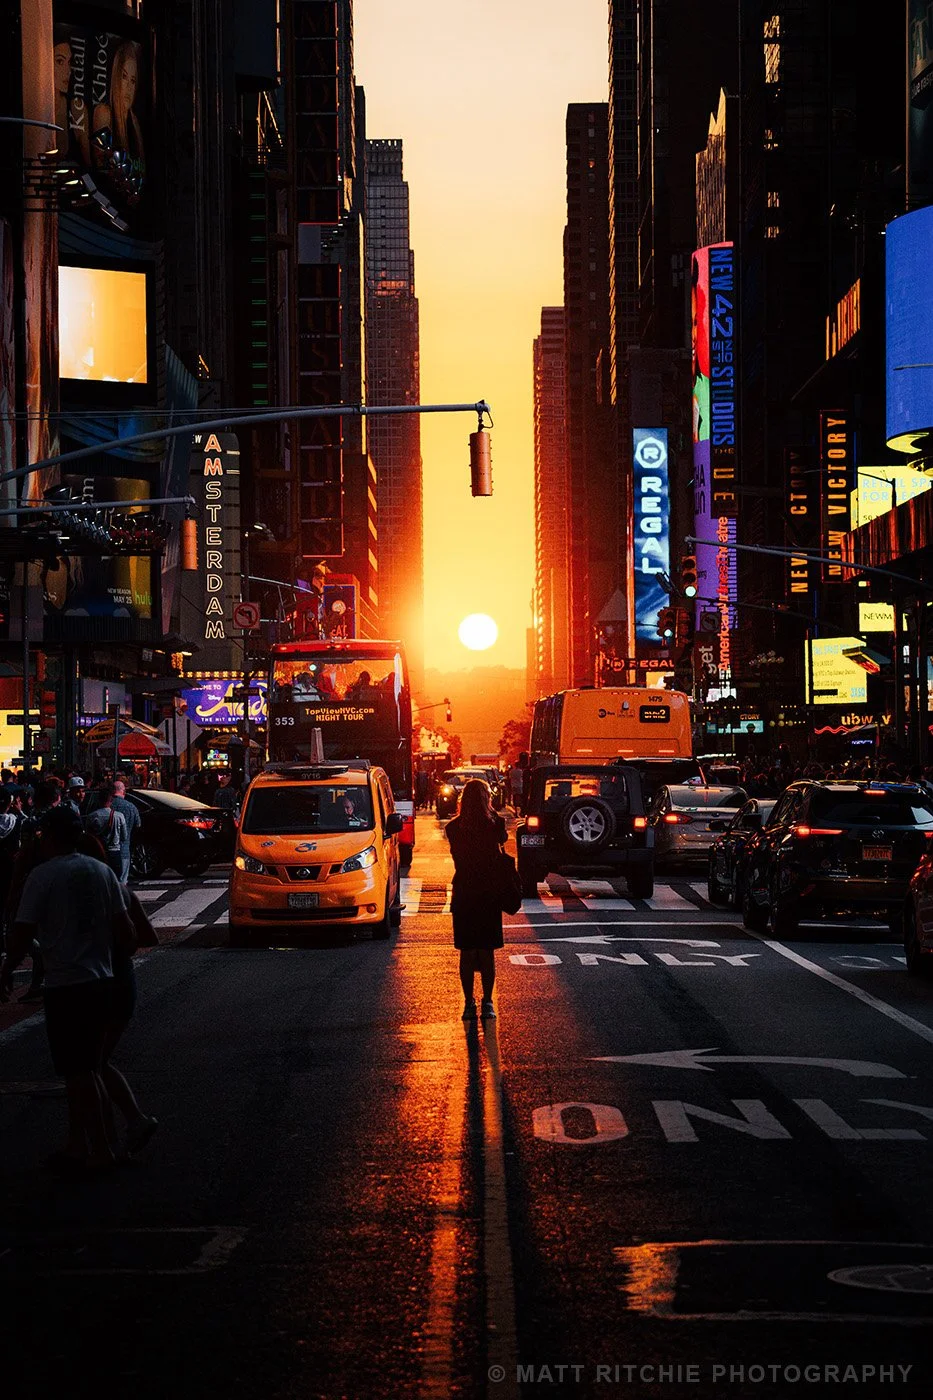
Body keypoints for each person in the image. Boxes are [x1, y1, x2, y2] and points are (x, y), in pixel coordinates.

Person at [0, 808, 138, 1173]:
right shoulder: (102, 872)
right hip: (102, 980)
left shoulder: (42, 876)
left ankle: (101, 1150)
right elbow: (127, 933)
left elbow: (20, 932)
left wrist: (7, 969)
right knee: (91, 1067)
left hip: (67, 985)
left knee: (78, 1073)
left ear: (51, 836)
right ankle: (102, 1146)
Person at [445, 779, 508, 1021]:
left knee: (467, 951)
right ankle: (488, 1001)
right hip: (489, 893)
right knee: (487, 951)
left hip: (464, 892)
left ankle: (469, 1002)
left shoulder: (454, 828)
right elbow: (500, 842)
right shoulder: (496, 825)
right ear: (486, 798)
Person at [85, 782, 128, 880]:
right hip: (115, 852)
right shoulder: (119, 816)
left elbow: (88, 836)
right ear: (111, 800)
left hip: (99, 852)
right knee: (116, 880)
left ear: (99, 800)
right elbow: (124, 837)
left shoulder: (92, 816)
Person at [111, 779, 141, 884]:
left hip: (107, 850)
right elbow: (138, 825)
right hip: (124, 849)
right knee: (122, 881)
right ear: (123, 791)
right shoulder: (131, 807)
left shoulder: (107, 806)